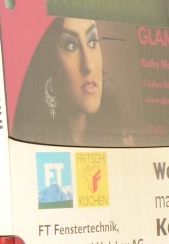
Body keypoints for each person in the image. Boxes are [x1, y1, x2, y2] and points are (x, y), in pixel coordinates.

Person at [14, 16, 132, 147]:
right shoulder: (29, 136)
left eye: (92, 42)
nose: (88, 65)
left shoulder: (121, 136)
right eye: (71, 46)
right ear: (49, 59)